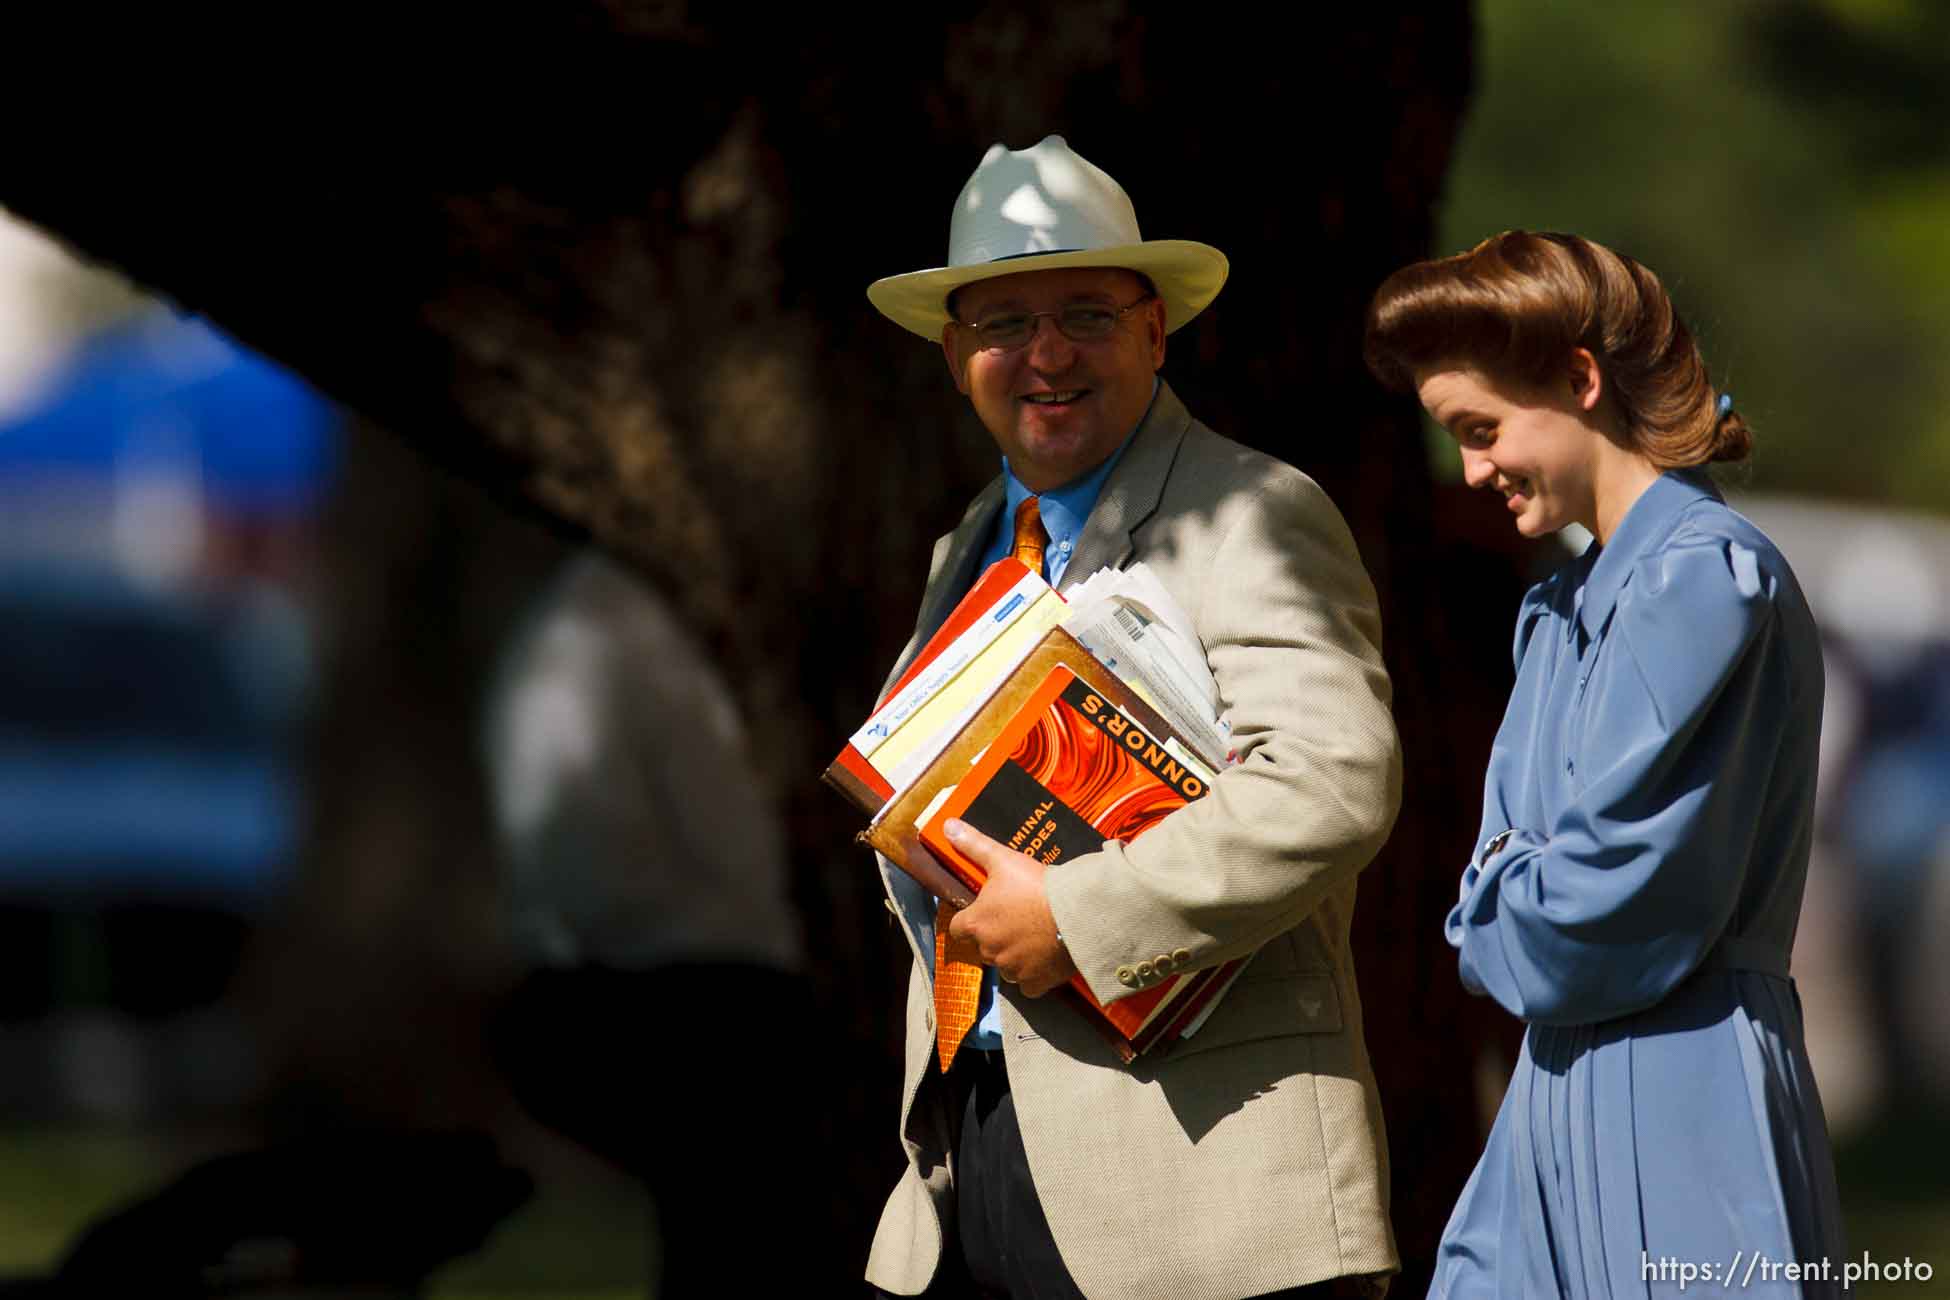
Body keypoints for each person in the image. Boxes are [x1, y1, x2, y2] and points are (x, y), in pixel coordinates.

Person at [861, 136, 1402, 1300]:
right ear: (958, 356)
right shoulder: (964, 549)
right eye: (1004, 322)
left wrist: (1078, 914)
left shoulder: (1256, 510)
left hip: (1208, 1199)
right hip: (973, 1166)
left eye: (1086, 315)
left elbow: (1333, 779)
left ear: (1156, 332)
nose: (1045, 354)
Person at [1363, 231, 1846, 1297]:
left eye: (1482, 429)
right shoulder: (1557, 606)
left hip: (1686, 1093)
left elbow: (1587, 922)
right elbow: (1510, 894)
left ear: (1580, 379)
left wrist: (1502, 901)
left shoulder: (1704, 583)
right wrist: (1512, 895)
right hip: (1556, 1096)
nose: (1471, 468)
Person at [478, 550, 815, 1296]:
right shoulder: (643, 629)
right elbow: (736, 846)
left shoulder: (572, 617)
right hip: (685, 998)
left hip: (586, 984)